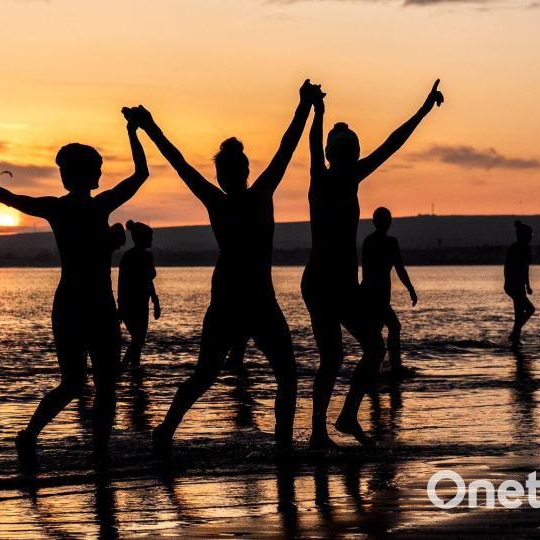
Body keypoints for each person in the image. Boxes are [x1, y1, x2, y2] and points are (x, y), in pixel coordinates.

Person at [126, 79, 322, 453]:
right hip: (243, 300)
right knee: (274, 375)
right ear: (243, 171)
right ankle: (279, 447)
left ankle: (169, 432)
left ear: (228, 174)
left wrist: (150, 126)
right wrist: (304, 105)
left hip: (246, 299)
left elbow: (179, 162)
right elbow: (285, 147)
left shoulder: (230, 198)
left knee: (215, 374)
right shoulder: (255, 195)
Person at [0, 109, 150, 466]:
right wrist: (134, 132)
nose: (100, 173)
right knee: (93, 385)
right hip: (85, 305)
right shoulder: (88, 206)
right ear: (84, 174)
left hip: (81, 304)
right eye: (97, 168)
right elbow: (141, 174)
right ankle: (49, 441)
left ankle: (84, 452)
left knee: (83, 384)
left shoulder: (68, 208)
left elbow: (10, 198)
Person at [303, 80, 444, 448]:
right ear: (342, 156)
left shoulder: (345, 177)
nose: (353, 160)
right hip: (323, 282)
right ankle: (322, 430)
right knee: (339, 356)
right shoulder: (324, 179)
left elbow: (392, 143)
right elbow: (318, 146)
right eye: (349, 154)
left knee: (366, 350)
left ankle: (342, 419)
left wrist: (423, 110)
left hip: (337, 284)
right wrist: (317, 114)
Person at [361, 207, 418, 378]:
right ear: (376, 222)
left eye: (388, 219)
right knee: (392, 327)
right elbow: (367, 271)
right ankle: (393, 366)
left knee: (377, 333)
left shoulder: (390, 242)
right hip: (373, 295)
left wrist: (411, 289)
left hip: (380, 295)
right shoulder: (371, 242)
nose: (387, 223)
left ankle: (382, 368)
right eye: (384, 220)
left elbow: (400, 269)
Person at [117, 220, 161, 370]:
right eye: (150, 237)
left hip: (136, 304)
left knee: (138, 340)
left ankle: (134, 370)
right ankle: (122, 369)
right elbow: (146, 280)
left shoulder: (129, 256)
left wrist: (155, 301)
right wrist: (156, 302)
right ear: (143, 238)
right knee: (138, 340)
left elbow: (147, 281)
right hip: (136, 305)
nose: (152, 240)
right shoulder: (144, 257)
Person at [505, 220, 535, 345]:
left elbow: (508, 268)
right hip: (516, 285)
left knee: (520, 312)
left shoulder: (513, 247)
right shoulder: (525, 248)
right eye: (530, 235)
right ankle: (515, 334)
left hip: (511, 285)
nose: (532, 237)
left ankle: (515, 337)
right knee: (529, 309)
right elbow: (524, 268)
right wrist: (528, 286)